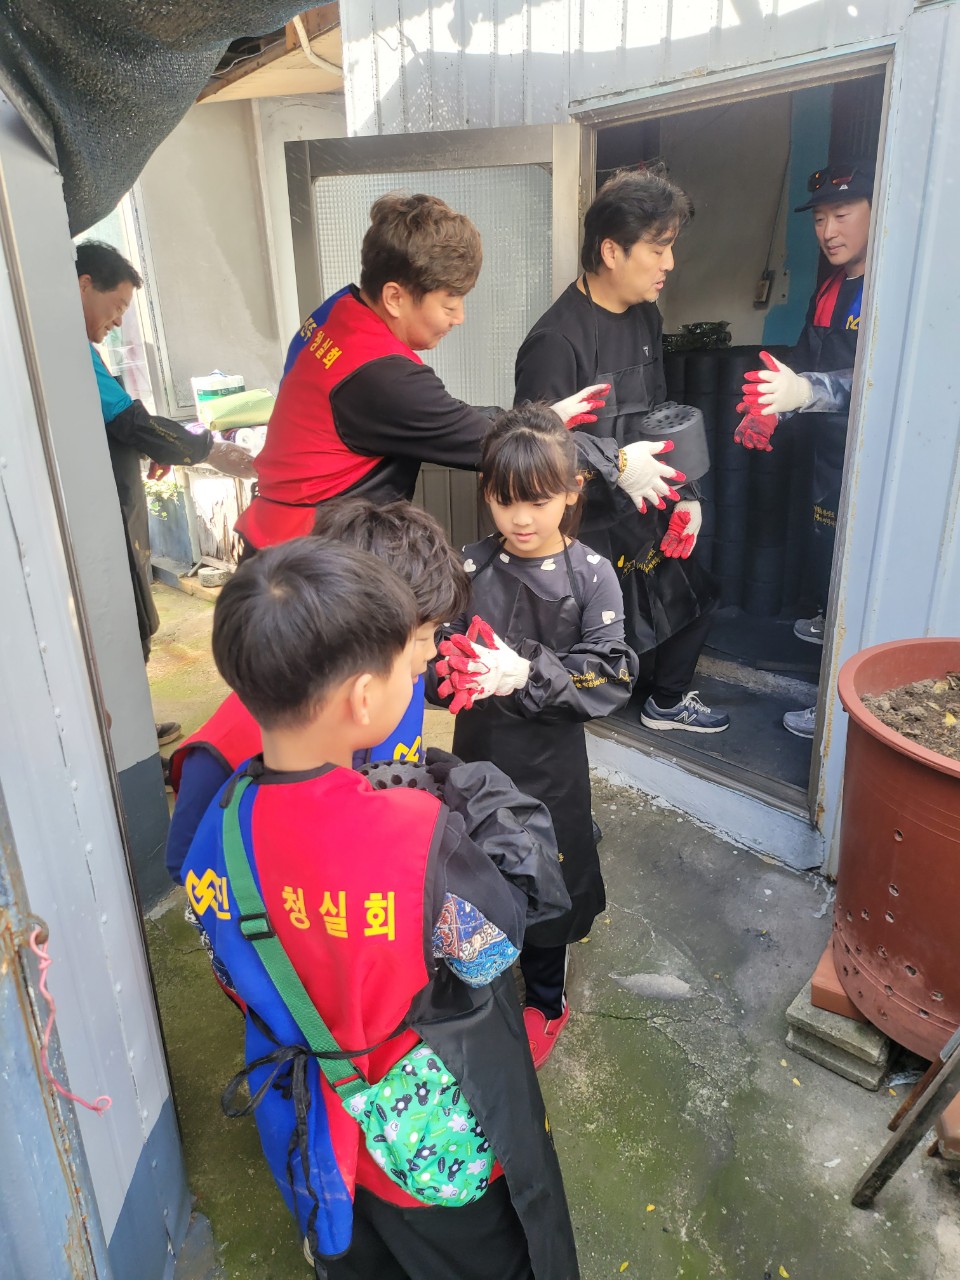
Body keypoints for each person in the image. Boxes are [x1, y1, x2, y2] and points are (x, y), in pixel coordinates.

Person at [180, 538, 579, 1279]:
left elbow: (227, 965)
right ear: (364, 697)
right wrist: (479, 798)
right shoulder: (415, 834)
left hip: (312, 1134)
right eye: (411, 662)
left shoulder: (220, 822)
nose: (419, 672)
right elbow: (491, 953)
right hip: (422, 1144)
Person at [233, 191, 676, 555]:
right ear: (395, 297)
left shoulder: (336, 312)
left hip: (279, 532)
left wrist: (544, 418)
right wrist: (616, 462)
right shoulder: (382, 377)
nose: (459, 317)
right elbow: (498, 443)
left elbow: (446, 415)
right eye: (449, 304)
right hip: (308, 559)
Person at [428, 406, 639, 1067]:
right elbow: (432, 656)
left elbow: (611, 674)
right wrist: (450, 672)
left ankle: (546, 999)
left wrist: (526, 672)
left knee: (550, 878)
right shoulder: (469, 567)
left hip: (552, 769)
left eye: (538, 501)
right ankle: (480, 976)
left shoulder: (592, 573)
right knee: (473, 869)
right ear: (486, 491)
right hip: (477, 754)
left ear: (573, 490)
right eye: (504, 500)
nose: (520, 518)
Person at [514, 169, 729, 734]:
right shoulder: (556, 341)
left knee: (694, 594)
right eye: (658, 249)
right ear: (612, 251)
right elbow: (532, 452)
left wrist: (686, 493)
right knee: (597, 640)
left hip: (644, 500)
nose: (669, 264)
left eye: (670, 247)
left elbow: (660, 413)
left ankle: (667, 701)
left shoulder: (645, 315)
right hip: (584, 523)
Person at [166, 498, 470, 884]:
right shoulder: (227, 748)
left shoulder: (402, 688)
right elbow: (189, 863)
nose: (431, 653)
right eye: (423, 638)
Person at [76, 240, 257, 745]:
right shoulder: (68, 350)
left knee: (133, 621)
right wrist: (207, 449)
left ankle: (130, 728)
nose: (118, 321)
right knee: (122, 626)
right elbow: (129, 420)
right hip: (103, 522)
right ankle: (129, 747)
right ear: (84, 285)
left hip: (115, 512)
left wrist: (158, 449)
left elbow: (114, 425)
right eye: (117, 306)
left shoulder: (78, 349)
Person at [736, 162, 873, 738]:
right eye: (820, 219)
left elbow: (873, 380)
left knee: (858, 574)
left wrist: (806, 392)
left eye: (842, 214)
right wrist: (774, 406)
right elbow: (805, 362)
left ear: (876, 211)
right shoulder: (832, 287)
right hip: (825, 457)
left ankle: (841, 711)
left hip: (866, 463)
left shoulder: (885, 288)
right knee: (826, 558)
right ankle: (829, 623)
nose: (828, 231)